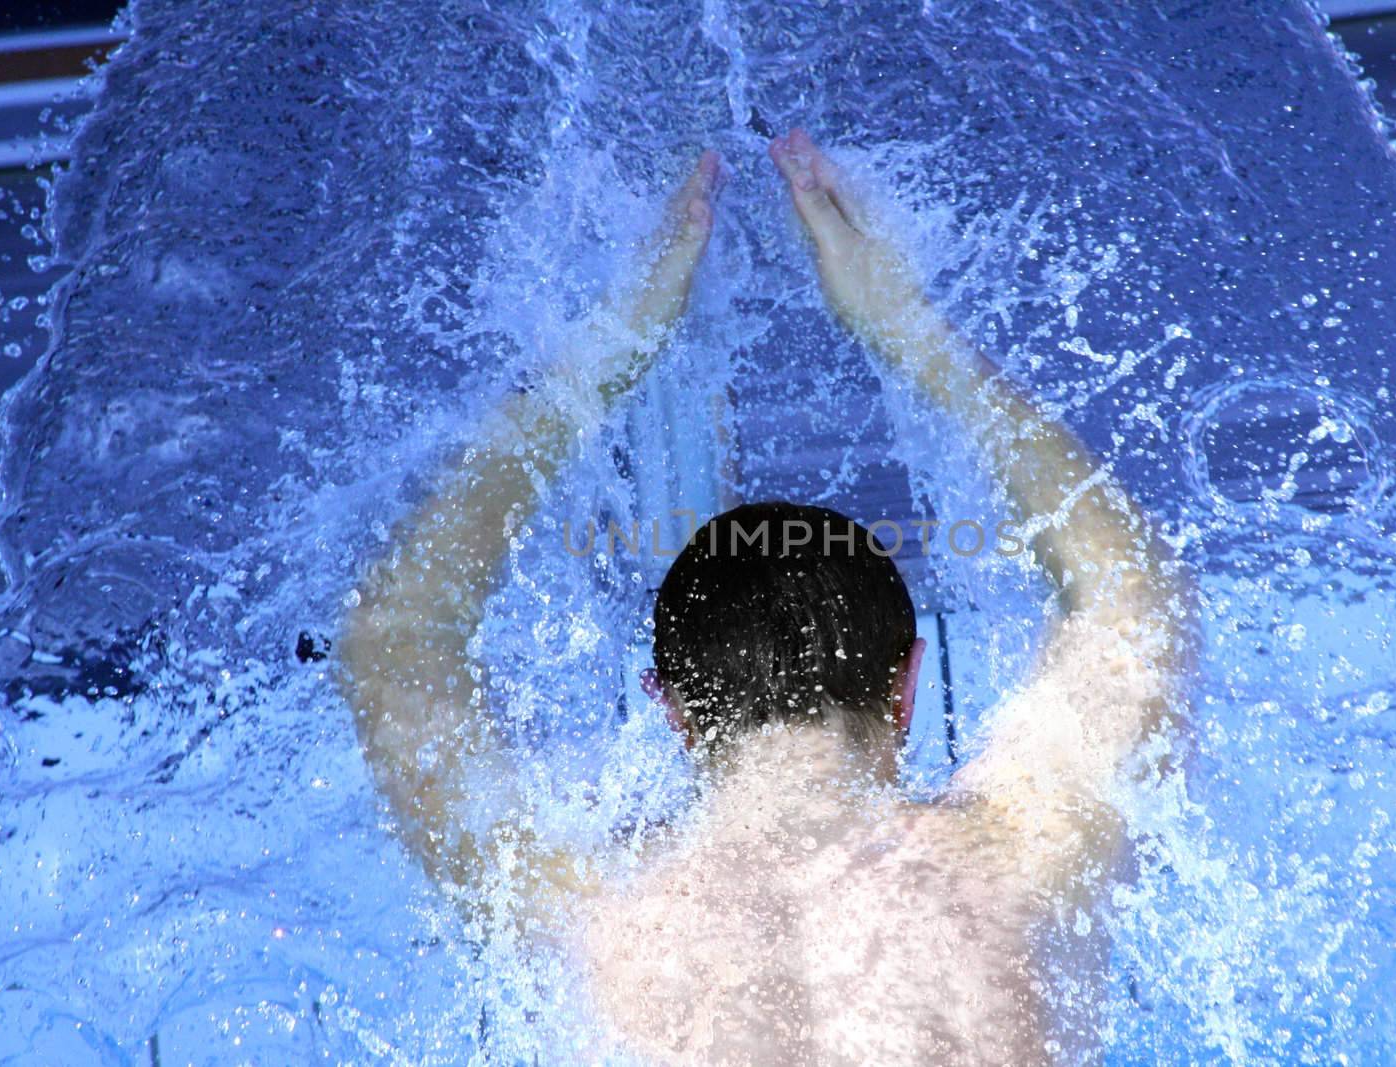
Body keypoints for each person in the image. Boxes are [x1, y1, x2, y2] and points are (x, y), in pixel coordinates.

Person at [336, 128, 1190, 1065]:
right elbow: (1131, 595)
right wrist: (912, 332)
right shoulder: (1021, 865)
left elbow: (395, 640)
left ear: (671, 710)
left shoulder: (584, 914)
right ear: (907, 687)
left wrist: (605, 354)